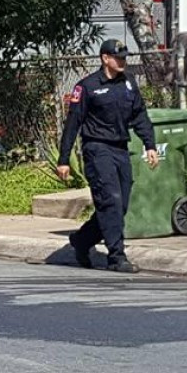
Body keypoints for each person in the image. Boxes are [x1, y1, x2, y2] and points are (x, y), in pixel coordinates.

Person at [57, 39, 159, 274]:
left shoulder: (129, 84)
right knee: (110, 201)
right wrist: (63, 160)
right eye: (118, 57)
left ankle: (82, 240)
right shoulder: (87, 87)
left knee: (118, 205)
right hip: (97, 149)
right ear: (105, 58)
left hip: (120, 149)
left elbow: (140, 116)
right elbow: (73, 124)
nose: (123, 61)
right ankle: (116, 256)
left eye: (124, 57)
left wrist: (149, 144)